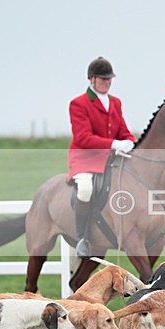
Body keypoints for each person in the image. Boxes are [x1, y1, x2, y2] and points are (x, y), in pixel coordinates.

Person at [68, 56, 136, 257]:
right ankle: (82, 238)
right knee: (86, 189)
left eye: (109, 79)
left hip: (111, 159)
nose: (107, 83)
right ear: (91, 79)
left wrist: (131, 142)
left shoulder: (115, 103)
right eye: (102, 79)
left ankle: (144, 233)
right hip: (85, 159)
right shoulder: (78, 104)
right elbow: (83, 138)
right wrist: (114, 144)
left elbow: (123, 131)